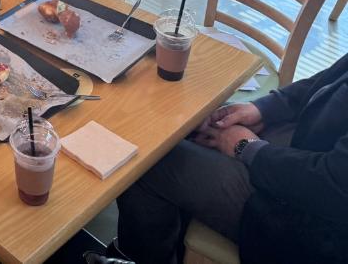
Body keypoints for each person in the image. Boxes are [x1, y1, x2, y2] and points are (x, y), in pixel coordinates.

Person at [114, 53, 348, 264]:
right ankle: (168, 240)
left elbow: (332, 184)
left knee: (148, 160)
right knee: (187, 122)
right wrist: (264, 109)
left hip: (313, 227)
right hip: (308, 153)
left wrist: (246, 147)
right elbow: (331, 79)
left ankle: (134, 256)